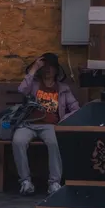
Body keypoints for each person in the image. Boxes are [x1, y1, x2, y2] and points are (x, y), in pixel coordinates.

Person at [13, 53, 80, 196]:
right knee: (18, 141)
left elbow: (76, 108)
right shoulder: (34, 84)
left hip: (50, 125)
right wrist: (33, 68)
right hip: (29, 123)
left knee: (54, 143)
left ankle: (54, 183)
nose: (48, 69)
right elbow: (22, 90)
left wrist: (62, 121)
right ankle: (25, 182)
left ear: (56, 70)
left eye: (51, 67)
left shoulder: (63, 88)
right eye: (45, 66)